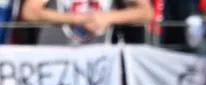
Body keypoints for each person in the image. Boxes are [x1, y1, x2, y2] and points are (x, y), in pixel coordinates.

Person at [18, 0, 152, 45]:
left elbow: (146, 12)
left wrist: (108, 17)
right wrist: (74, 18)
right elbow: (29, 12)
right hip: (55, 60)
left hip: (100, 66)